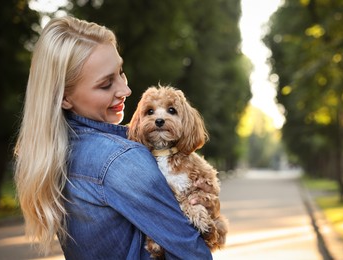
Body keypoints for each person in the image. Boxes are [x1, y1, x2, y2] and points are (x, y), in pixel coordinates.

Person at [14, 16, 214, 259]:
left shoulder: (58, 152)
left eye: (121, 72)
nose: (125, 90)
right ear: (65, 98)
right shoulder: (122, 159)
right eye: (106, 84)